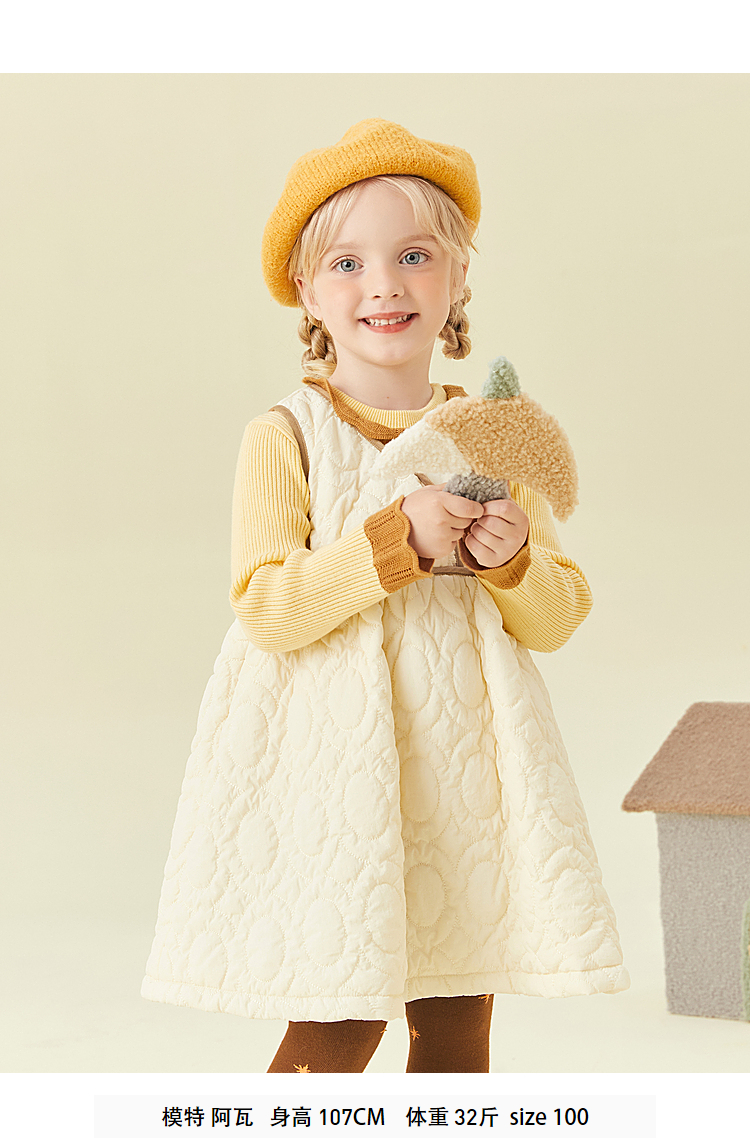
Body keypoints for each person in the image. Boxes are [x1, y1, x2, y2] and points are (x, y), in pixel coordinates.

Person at [142, 118, 628, 1073]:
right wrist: (393, 541)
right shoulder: (284, 435)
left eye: (414, 256)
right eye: (348, 264)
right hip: (334, 773)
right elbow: (268, 607)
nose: (385, 285)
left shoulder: (495, 433)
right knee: (338, 1019)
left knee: (457, 1018)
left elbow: (559, 617)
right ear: (307, 291)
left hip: (461, 777)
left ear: (457, 276)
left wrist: (513, 562)